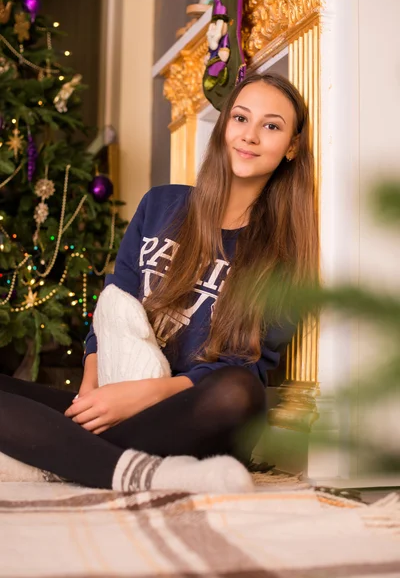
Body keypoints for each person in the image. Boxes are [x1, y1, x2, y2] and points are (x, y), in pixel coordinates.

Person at [0, 72, 319, 493]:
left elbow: (246, 364)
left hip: (194, 414)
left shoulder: (286, 254)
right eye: (240, 118)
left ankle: (56, 455)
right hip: (118, 400)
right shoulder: (161, 204)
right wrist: (91, 395)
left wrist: (143, 395)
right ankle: (141, 471)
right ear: (224, 125)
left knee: (240, 392)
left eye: (272, 126)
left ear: (292, 146)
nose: (250, 136)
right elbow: (114, 303)